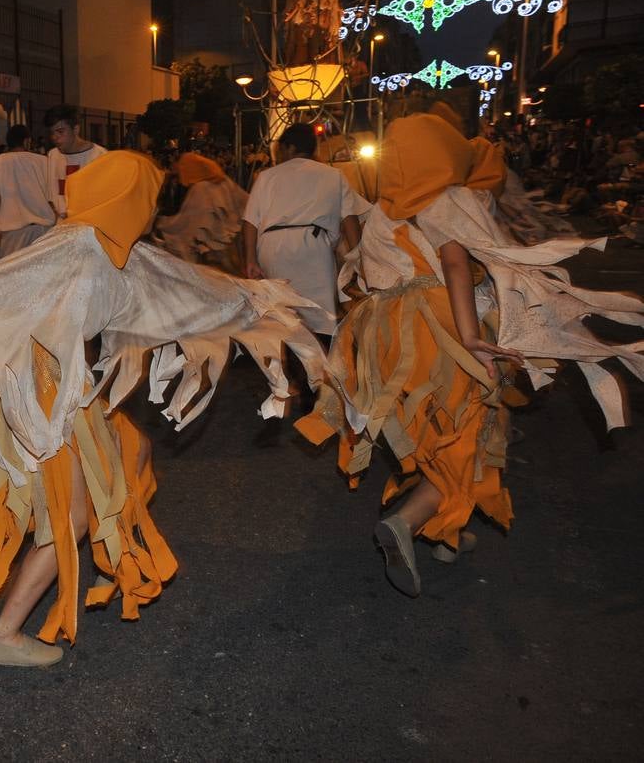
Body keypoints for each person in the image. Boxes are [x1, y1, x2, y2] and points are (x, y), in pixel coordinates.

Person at [0, 150, 323, 667]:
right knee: (71, 514)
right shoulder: (74, 244)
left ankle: (108, 554)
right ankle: (5, 635)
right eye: (149, 195)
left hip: (64, 384)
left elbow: (187, 284)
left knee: (135, 449)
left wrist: (256, 298)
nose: (151, 208)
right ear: (131, 197)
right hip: (38, 391)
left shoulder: (116, 247)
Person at [297, 112, 644, 597]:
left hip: (385, 333)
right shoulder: (448, 199)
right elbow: (455, 263)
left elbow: (358, 269)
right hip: (437, 324)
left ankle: (449, 534)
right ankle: (409, 520)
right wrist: (471, 336)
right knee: (475, 424)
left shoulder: (383, 209)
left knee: (436, 428)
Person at [241, 123, 367, 336]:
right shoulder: (333, 175)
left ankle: (286, 361)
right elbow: (350, 219)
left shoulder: (267, 176)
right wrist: (358, 258)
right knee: (320, 315)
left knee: (280, 314)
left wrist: (250, 260)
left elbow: (250, 222)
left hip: (272, 246)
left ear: (289, 148)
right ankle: (321, 362)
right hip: (314, 247)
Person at [155, 151, 248, 273]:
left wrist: (162, 224)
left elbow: (186, 222)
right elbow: (246, 201)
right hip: (230, 247)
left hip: (213, 253)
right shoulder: (224, 181)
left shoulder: (201, 189)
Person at [0, 123, 55, 257]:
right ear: (27, 141)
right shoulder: (44, 161)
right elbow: (52, 199)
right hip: (44, 232)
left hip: (14, 237)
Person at [44, 105, 106, 216]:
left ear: (76, 129)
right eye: (52, 133)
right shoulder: (53, 155)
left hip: (90, 222)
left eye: (60, 132)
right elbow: (52, 194)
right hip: (63, 224)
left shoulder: (99, 155)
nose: (54, 137)